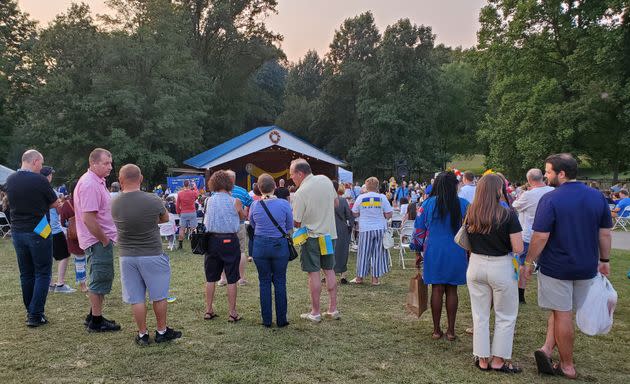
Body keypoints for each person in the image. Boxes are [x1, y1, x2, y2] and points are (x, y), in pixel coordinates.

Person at [524, 154, 612, 380]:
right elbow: (604, 233)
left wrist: (528, 261)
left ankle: (567, 365)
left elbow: (541, 236)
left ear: (561, 174)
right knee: (560, 309)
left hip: (557, 266)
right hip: (586, 266)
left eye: (549, 171)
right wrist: (604, 261)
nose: (546, 175)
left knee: (562, 313)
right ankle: (546, 348)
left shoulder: (551, 199)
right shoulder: (597, 196)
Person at [112, 164, 182, 345]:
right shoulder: (153, 199)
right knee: (158, 295)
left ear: (121, 180)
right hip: (151, 252)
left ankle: (142, 334)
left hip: (127, 255)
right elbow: (165, 218)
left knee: (136, 298)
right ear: (140, 178)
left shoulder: (115, 203)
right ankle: (161, 331)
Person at [465, 174, 524, 373]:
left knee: (480, 315)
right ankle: (498, 360)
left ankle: (482, 358)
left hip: (476, 264)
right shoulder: (507, 214)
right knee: (505, 315)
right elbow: (518, 247)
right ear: (499, 190)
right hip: (501, 265)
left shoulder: (471, 212)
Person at [6, 149, 59, 327]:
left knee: (26, 273)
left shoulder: (10, 179)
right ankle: (36, 314)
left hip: (17, 230)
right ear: (35, 161)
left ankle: (30, 310)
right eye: (41, 163)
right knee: (43, 272)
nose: (41, 167)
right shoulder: (40, 180)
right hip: (38, 229)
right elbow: (54, 202)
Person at [413, 171, 468, 341]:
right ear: (455, 186)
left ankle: (436, 330)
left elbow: (419, 230)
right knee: (452, 289)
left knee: (436, 288)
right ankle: (451, 331)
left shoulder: (427, 204)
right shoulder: (464, 204)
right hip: (457, 250)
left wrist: (417, 251)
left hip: (434, 250)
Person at [74, 148, 120, 332]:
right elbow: (88, 218)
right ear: (93, 163)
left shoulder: (96, 181)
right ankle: (96, 321)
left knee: (101, 277)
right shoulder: (90, 184)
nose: (110, 166)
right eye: (106, 163)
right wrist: (104, 240)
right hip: (97, 240)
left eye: (110, 163)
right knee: (98, 278)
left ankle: (93, 314)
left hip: (99, 239)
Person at [290, 159, 339, 322]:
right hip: (329, 234)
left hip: (311, 237)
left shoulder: (300, 193)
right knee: (329, 269)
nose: (292, 178)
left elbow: (296, 221)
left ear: (300, 173)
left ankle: (315, 312)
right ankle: (333, 309)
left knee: (314, 273)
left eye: (292, 174)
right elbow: (336, 203)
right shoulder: (325, 180)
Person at [248, 173, 293, 327]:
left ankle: (266, 320)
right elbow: (289, 227)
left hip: (260, 246)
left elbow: (252, 225)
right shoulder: (284, 204)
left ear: (259, 189)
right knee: (280, 281)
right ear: (274, 186)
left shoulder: (255, 205)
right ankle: (282, 319)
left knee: (264, 282)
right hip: (279, 245)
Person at [203, 170, 246, 322]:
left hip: (212, 240)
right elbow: (242, 217)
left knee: (210, 278)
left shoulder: (208, 201)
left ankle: (208, 310)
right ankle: (232, 313)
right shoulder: (235, 201)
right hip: (230, 240)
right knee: (232, 278)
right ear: (229, 183)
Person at [512, 169, 554, 304]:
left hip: (529, 234)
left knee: (523, 264)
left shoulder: (528, 195)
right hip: (550, 234)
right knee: (546, 265)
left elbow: (515, 206)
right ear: (542, 177)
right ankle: (548, 294)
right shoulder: (553, 191)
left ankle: (520, 295)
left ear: (529, 180)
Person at [351, 177, 393, 285]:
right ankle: (375, 279)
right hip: (379, 228)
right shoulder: (382, 198)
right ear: (377, 186)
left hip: (365, 229)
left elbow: (354, 213)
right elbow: (389, 215)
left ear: (366, 186)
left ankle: (359, 278)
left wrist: (363, 213)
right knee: (378, 254)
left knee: (363, 253)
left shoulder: (361, 198)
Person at [41, 166, 75, 293]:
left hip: (41, 228)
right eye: (51, 175)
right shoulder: (51, 191)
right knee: (65, 255)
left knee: (47, 256)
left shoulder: (37, 190)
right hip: (53, 229)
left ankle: (49, 284)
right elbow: (58, 209)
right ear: (48, 176)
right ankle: (60, 284)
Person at [217, 170, 254, 286]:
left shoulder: (217, 192)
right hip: (239, 224)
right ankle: (241, 278)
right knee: (241, 251)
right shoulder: (242, 191)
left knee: (222, 252)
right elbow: (252, 204)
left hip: (223, 226)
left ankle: (223, 278)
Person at [59, 190, 88, 293]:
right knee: (83, 260)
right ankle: (84, 284)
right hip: (88, 234)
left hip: (73, 237)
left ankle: (83, 284)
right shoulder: (86, 201)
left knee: (79, 260)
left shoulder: (67, 204)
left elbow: (62, 222)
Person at [333, 181, 354, 284]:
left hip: (328, 228)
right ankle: (343, 275)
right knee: (342, 251)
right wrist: (350, 226)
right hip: (341, 228)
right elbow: (349, 216)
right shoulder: (342, 201)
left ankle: (326, 274)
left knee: (327, 251)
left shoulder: (324, 201)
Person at [176, 180, 198, 250]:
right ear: (189, 185)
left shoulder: (180, 193)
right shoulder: (193, 192)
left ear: (183, 185)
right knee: (193, 229)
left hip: (183, 212)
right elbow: (197, 196)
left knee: (182, 229)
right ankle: (194, 245)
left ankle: (180, 245)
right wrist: (195, 187)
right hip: (192, 212)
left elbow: (177, 205)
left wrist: (179, 212)